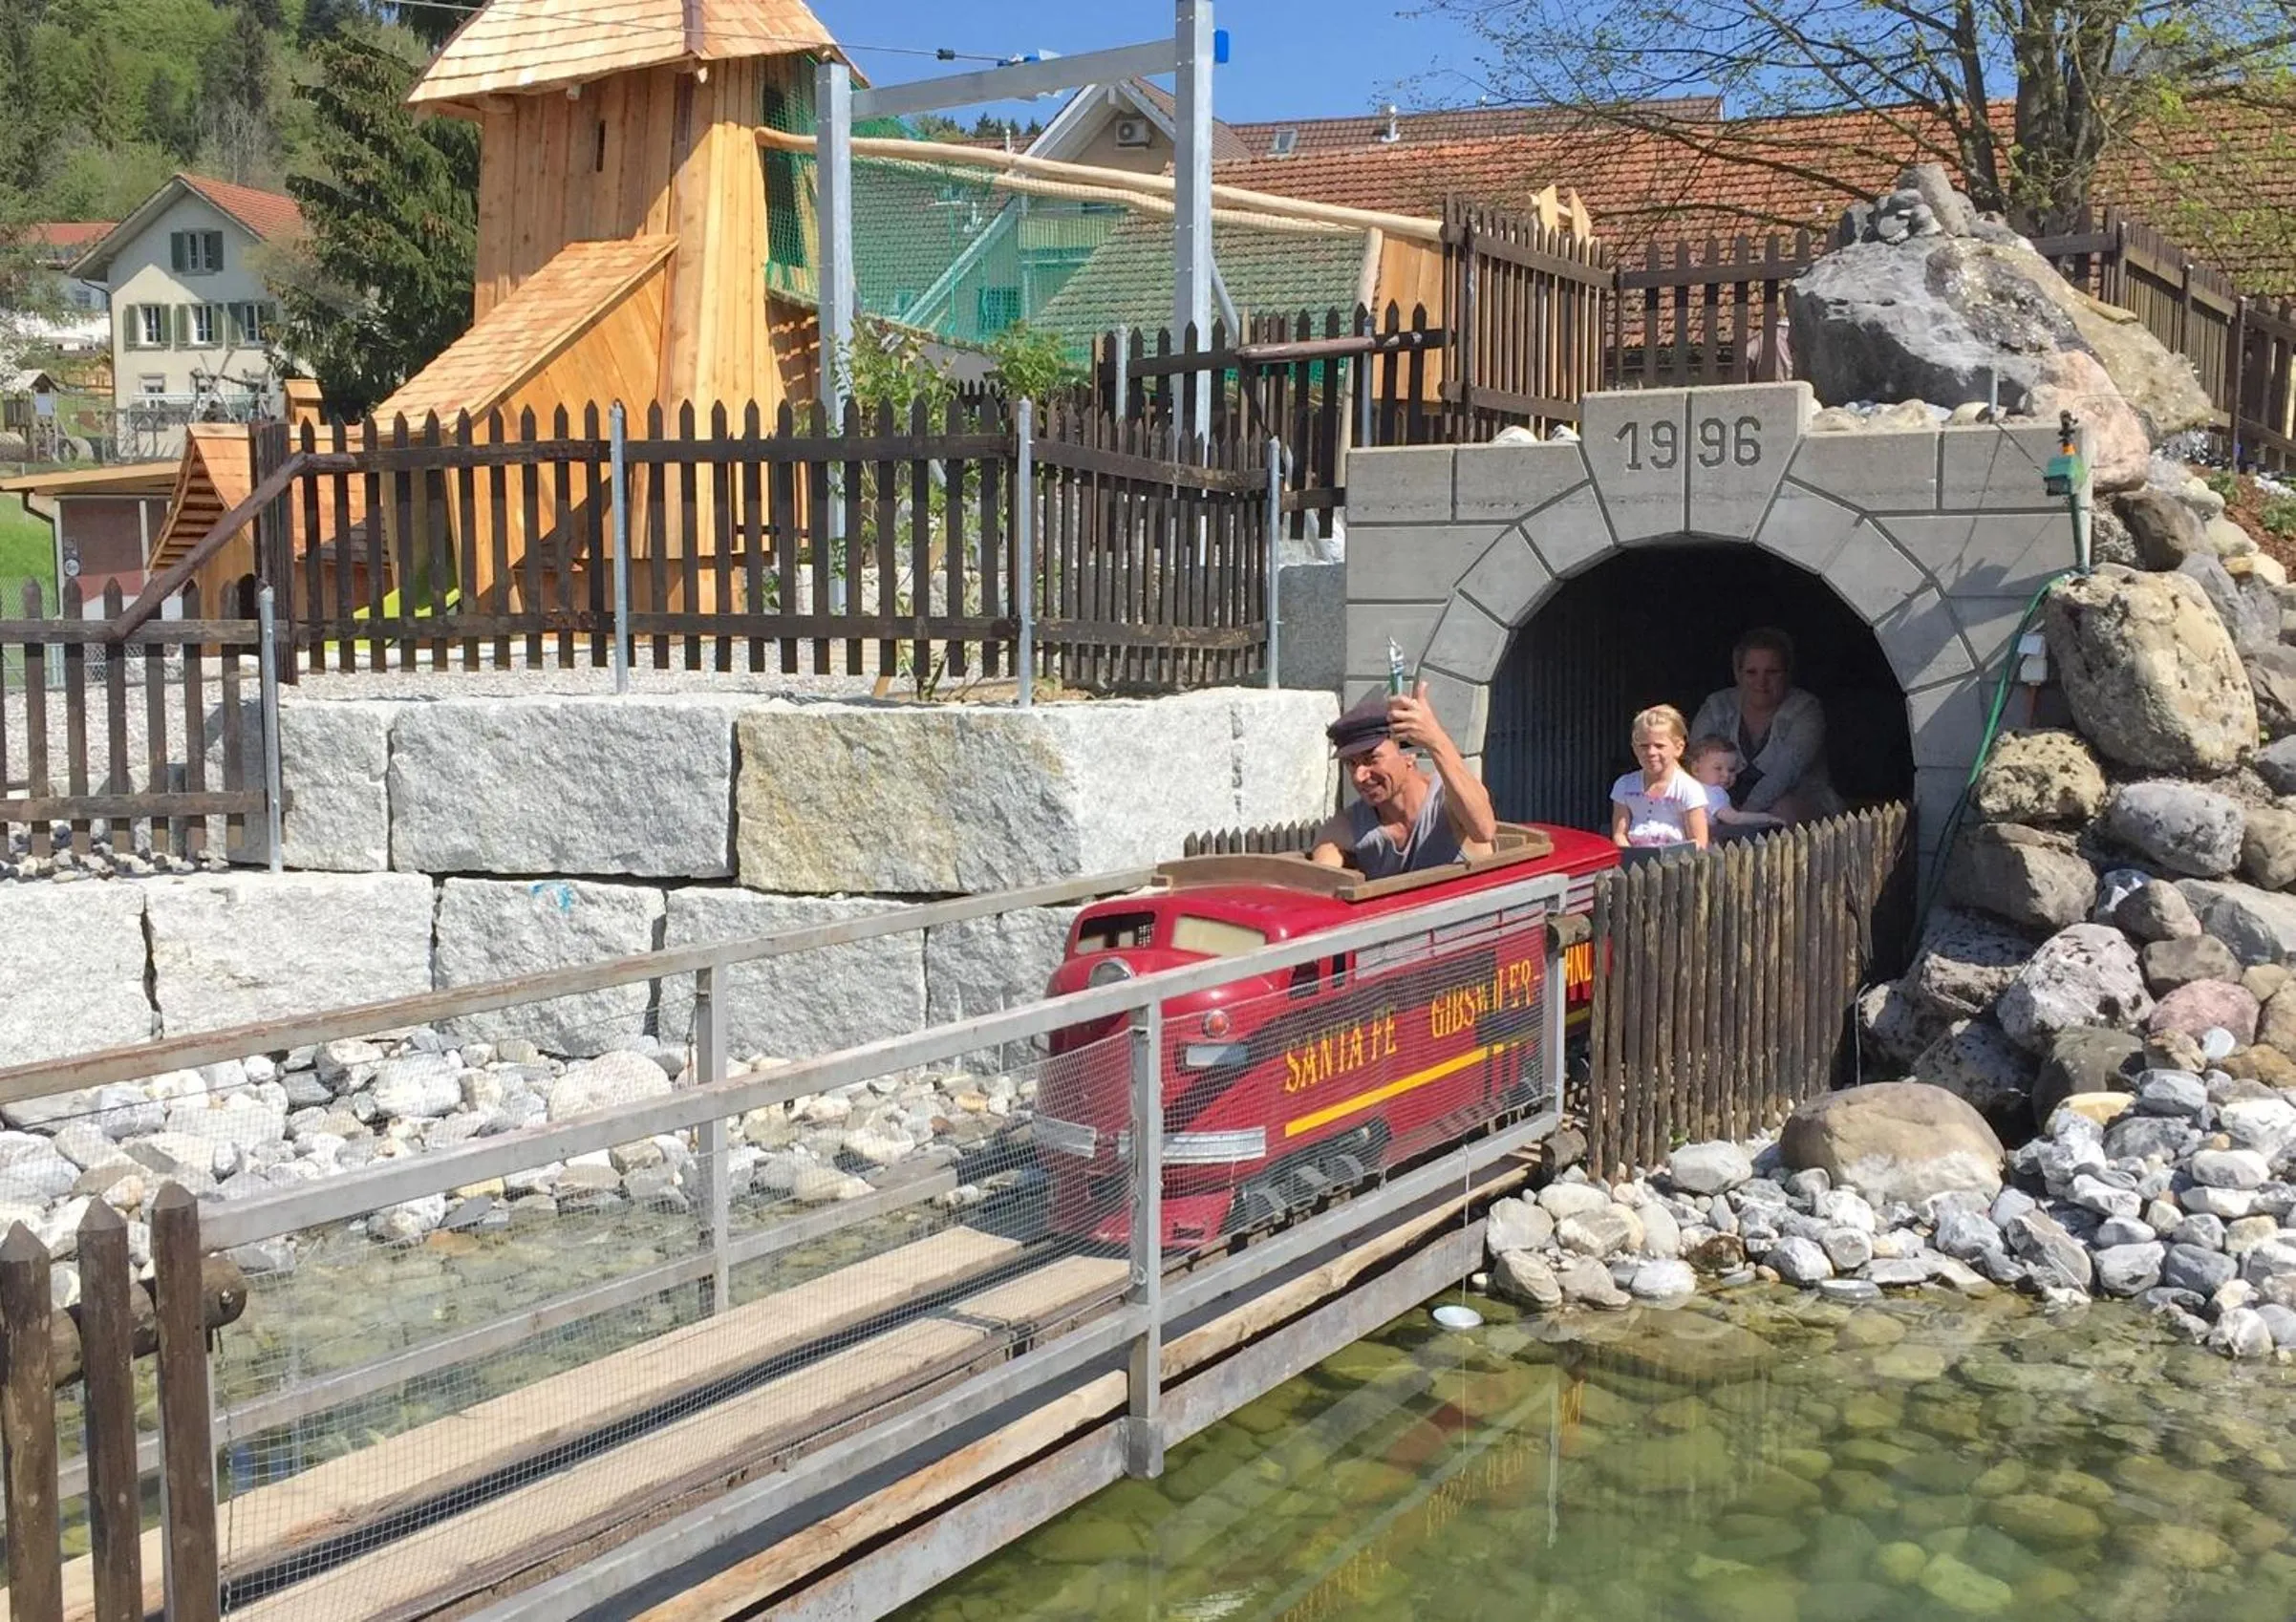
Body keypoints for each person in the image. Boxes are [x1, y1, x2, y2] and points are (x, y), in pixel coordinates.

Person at [1309, 684, 1498, 877]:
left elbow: (1483, 830)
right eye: (1351, 763)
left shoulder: (1449, 801)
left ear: (1409, 754)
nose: (1359, 776)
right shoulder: (1349, 826)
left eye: (1371, 759)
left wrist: (1436, 741)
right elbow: (1322, 881)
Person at [1688, 628, 1841, 823]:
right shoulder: (1717, 706)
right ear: (1738, 673)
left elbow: (1785, 772)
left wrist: (1743, 817)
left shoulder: (1806, 709)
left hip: (1799, 802)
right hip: (1725, 805)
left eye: (1772, 672)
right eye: (1751, 672)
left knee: (1782, 810)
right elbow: (1696, 766)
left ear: (1787, 673)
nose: (1761, 682)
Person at [1610, 705, 1708, 852]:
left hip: (1676, 864)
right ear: (1634, 748)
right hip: (1633, 863)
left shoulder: (1689, 789)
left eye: (1659, 746)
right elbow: (1619, 834)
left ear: (1679, 748)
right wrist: (1632, 858)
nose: (1651, 752)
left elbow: (1699, 841)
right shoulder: (1624, 785)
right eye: (1643, 746)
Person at [1686, 735, 1786, 837]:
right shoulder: (1714, 792)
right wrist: (1766, 818)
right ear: (1696, 769)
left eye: (1731, 770)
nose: (1726, 775)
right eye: (1718, 768)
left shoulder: (1685, 788)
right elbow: (1733, 818)